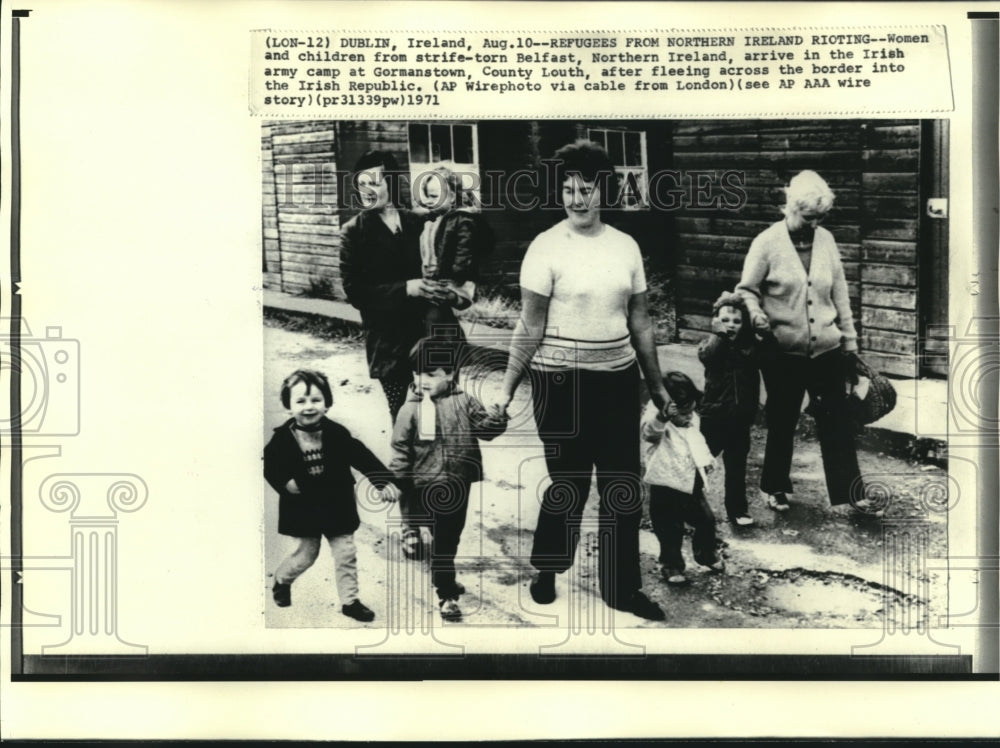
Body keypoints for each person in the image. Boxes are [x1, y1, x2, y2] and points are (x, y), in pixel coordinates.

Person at [495, 140, 669, 621]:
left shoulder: (625, 246)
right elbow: (528, 325)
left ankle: (620, 588)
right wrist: (508, 388)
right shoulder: (546, 246)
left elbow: (641, 322)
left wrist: (657, 388)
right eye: (569, 189)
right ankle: (548, 568)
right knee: (568, 485)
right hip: (560, 386)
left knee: (622, 488)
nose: (577, 198)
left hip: (617, 383)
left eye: (586, 189)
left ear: (604, 192)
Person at [735, 170, 878, 515]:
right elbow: (745, 290)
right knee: (783, 420)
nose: (815, 223)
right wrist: (755, 314)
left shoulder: (826, 240)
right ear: (791, 208)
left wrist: (850, 343)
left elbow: (840, 294)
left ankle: (851, 492)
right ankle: (774, 487)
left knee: (837, 420)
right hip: (782, 352)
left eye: (821, 217)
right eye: (809, 217)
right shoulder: (767, 242)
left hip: (827, 350)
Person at [264, 369, 401, 621]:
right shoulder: (281, 440)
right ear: (288, 406)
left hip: (337, 505)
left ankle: (350, 602)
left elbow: (361, 455)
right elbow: (270, 465)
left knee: (346, 553)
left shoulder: (337, 434)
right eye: (300, 401)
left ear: (327, 404)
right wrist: (284, 482)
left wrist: (384, 482)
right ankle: (282, 579)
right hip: (303, 507)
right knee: (307, 554)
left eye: (316, 400)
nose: (308, 407)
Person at [339, 150, 465, 423]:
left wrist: (454, 291)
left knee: (445, 414)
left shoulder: (418, 221)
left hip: (430, 335)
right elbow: (356, 292)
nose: (367, 190)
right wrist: (408, 288)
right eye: (362, 184)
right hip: (389, 346)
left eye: (375, 182)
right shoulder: (354, 232)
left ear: (392, 183)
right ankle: (408, 467)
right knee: (406, 419)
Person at [388, 337, 508, 621]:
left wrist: (498, 416)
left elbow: (486, 429)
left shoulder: (464, 401)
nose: (423, 379)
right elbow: (400, 449)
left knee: (449, 538)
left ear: (451, 373)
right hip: (425, 485)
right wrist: (395, 480)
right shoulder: (410, 410)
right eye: (418, 373)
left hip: (458, 482)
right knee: (442, 540)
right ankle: (447, 595)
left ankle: (445, 576)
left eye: (432, 373)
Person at [641, 371, 724, 586]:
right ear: (669, 408)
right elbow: (648, 434)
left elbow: (697, 442)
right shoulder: (658, 419)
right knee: (670, 528)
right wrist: (662, 417)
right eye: (684, 413)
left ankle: (706, 554)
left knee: (706, 520)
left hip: (690, 482)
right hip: (665, 483)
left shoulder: (692, 418)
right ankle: (671, 565)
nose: (689, 417)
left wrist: (706, 462)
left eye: (691, 411)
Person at [698, 291, 760, 526]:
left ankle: (738, 510)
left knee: (736, 466)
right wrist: (719, 336)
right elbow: (709, 357)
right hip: (714, 416)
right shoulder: (710, 344)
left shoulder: (750, 348)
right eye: (725, 320)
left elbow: (764, 357)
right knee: (702, 461)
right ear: (715, 322)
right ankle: (687, 500)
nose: (731, 325)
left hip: (740, 418)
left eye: (736, 321)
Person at [415, 162, 495, 335]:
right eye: (427, 195)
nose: (428, 201)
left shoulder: (461, 220)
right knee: (430, 314)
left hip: (456, 282)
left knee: (434, 310)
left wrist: (456, 273)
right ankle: (448, 346)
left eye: (434, 196)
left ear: (451, 197)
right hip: (436, 280)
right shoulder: (434, 220)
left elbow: (464, 251)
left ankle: (445, 348)